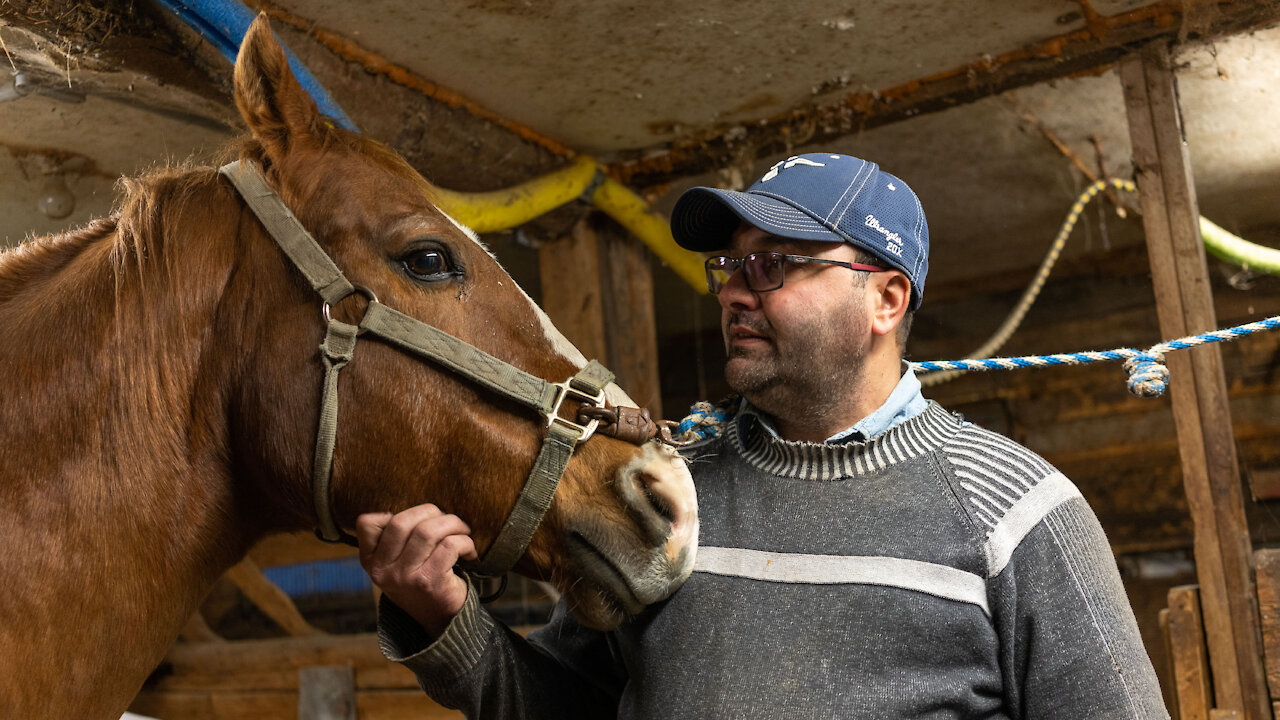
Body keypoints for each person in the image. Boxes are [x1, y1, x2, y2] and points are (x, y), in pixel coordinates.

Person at [355, 153, 1169, 719]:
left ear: (885, 300)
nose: (734, 293)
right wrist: (445, 616)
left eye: (774, 265)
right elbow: (568, 709)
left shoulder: (1017, 512)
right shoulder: (670, 489)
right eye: (730, 266)